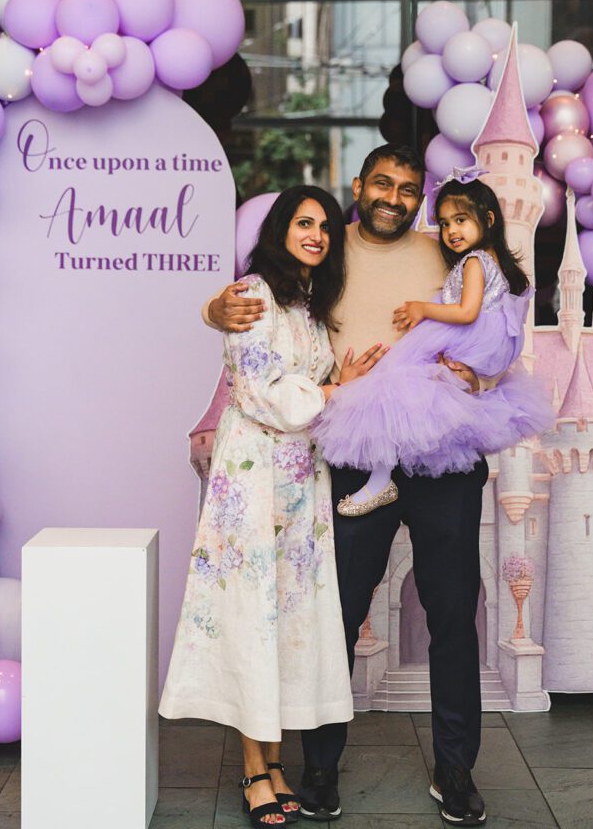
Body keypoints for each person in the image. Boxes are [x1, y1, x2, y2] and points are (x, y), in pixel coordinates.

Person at [206, 145, 499, 827]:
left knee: (453, 612)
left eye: (407, 188)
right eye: (381, 184)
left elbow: (495, 313)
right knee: (330, 613)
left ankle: (455, 769)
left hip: (441, 453)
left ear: (421, 197)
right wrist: (215, 308)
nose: (393, 198)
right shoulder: (324, 247)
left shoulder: (448, 249)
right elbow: (264, 296)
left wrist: (483, 376)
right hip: (352, 451)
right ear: (360, 186)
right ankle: (318, 769)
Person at [160, 185, 385, 828]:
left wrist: (337, 381)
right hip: (252, 480)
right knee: (250, 618)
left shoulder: (308, 305)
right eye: (303, 222)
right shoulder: (252, 295)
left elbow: (304, 385)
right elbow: (262, 393)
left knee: (285, 622)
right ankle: (255, 770)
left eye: (325, 227)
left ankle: (277, 763)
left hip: (301, 486)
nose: (316, 234)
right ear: (281, 229)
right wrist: (335, 389)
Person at [311, 168, 552, 517]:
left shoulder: (475, 262)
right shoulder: (486, 261)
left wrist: (423, 309)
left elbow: (467, 312)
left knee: (392, 384)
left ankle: (380, 480)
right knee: (420, 401)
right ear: (358, 187)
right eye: (445, 223)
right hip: (472, 344)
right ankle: (384, 479)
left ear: (487, 219)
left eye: (460, 220)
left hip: (461, 338)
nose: (451, 231)